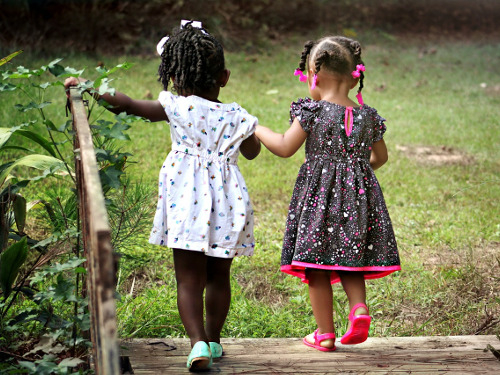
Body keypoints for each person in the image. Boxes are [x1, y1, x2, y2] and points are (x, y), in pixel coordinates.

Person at [65, 21, 261, 371]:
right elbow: (252, 152)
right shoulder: (236, 115)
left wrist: (90, 87)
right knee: (219, 277)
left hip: (186, 202)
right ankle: (215, 341)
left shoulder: (175, 107)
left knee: (188, 280)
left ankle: (197, 343)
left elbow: (126, 105)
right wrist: (237, 132)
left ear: (172, 76)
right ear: (224, 77)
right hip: (229, 206)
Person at [255, 36, 400, 352]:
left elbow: (284, 146)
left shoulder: (313, 112)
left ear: (314, 76)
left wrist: (256, 128)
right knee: (351, 257)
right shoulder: (369, 116)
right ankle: (359, 309)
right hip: (358, 200)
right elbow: (380, 158)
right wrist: (358, 175)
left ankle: (325, 333)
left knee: (317, 265)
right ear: (354, 76)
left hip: (319, 203)